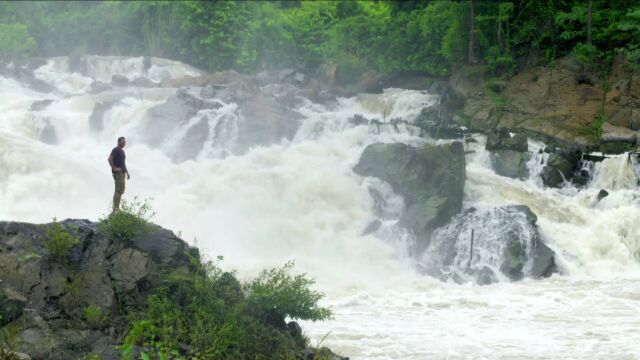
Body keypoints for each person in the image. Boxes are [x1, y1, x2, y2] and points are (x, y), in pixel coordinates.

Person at [108, 137, 130, 214]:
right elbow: (110, 159)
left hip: (122, 173)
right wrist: (114, 168)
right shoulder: (116, 149)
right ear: (119, 142)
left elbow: (123, 163)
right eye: (123, 142)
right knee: (118, 190)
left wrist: (127, 172)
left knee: (120, 191)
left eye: (125, 142)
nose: (124, 143)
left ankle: (117, 208)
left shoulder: (122, 151)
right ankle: (115, 209)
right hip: (118, 173)